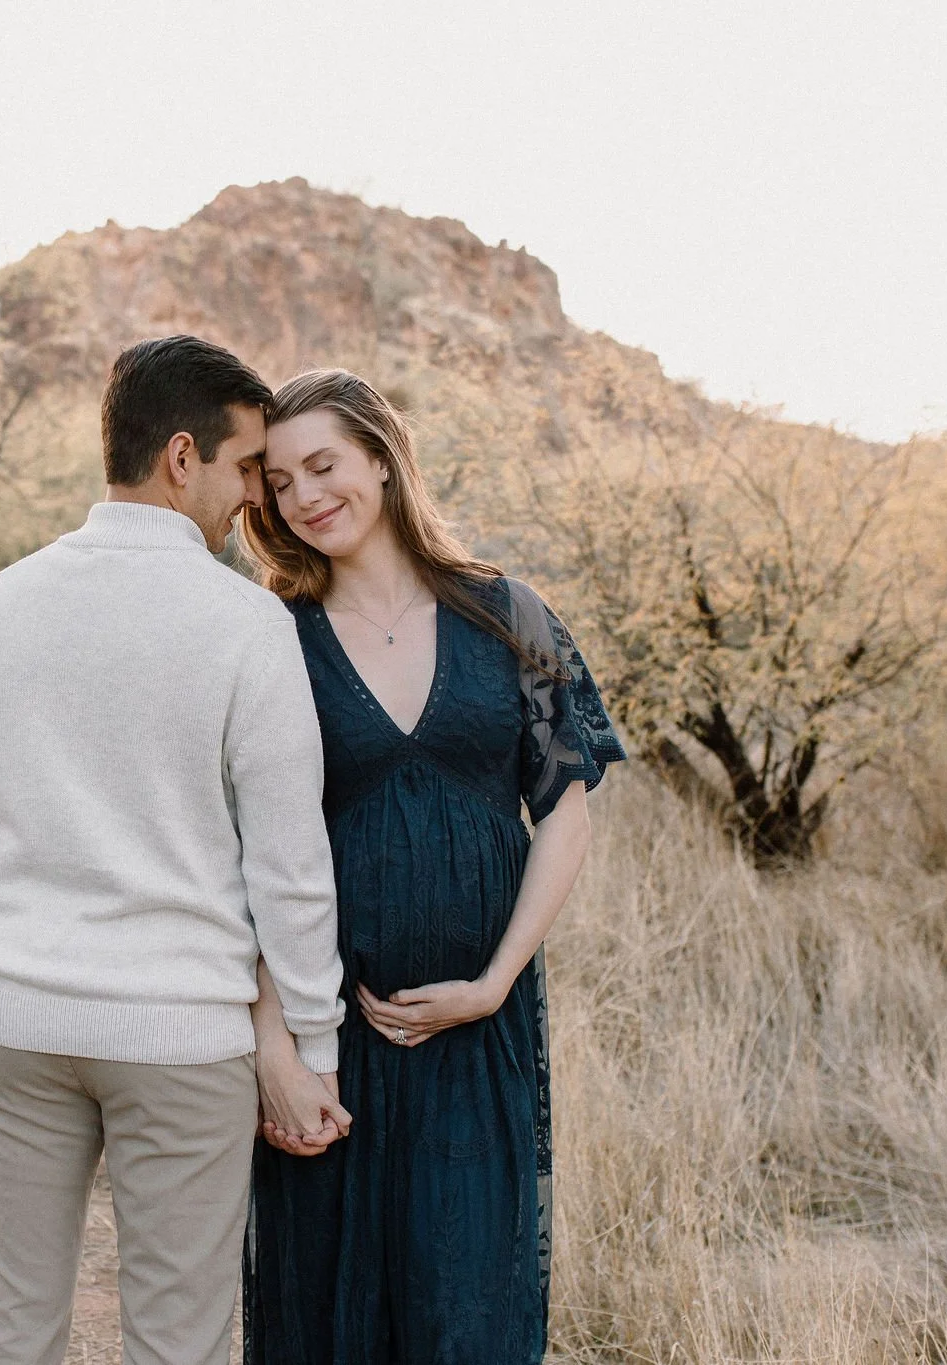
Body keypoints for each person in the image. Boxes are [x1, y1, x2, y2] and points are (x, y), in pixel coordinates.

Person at [0, 335, 352, 1365]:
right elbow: (287, 867)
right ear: (182, 457)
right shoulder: (245, 625)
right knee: (177, 1341)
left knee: (9, 1331)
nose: (258, 497)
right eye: (249, 467)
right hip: (181, 1038)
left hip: (19, 1024)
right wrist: (314, 1043)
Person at [238, 369, 627, 1364]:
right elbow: (237, 858)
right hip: (332, 1043)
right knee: (327, 1315)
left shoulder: (508, 615)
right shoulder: (270, 638)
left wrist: (491, 985)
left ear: (379, 456)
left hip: (477, 1032)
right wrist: (274, 1053)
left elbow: (564, 816)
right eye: (277, 482)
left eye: (322, 465)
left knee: (466, 1307)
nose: (304, 496)